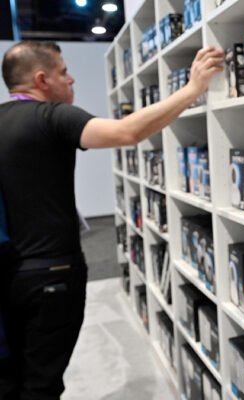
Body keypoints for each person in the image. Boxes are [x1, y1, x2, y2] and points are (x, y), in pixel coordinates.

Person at [0, 41, 224, 400]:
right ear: (41, 79)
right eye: (63, 72)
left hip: (11, 274)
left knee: (13, 376)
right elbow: (127, 132)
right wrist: (192, 88)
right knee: (43, 384)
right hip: (53, 274)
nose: (71, 79)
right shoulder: (51, 115)